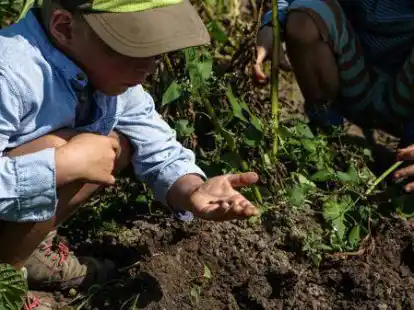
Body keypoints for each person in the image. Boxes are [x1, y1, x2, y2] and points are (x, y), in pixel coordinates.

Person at [0, 1, 261, 308]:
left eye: (153, 52)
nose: (149, 67)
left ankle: (17, 255)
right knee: (70, 149)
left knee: (113, 144)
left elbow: (155, 142)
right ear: (64, 27)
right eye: (132, 48)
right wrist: (60, 164)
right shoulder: (10, 73)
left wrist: (192, 189)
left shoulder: (105, 75)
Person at [252, 0, 414, 193]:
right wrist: (271, 24)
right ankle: (326, 144)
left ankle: (406, 169)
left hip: (406, 93)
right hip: (349, 74)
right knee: (305, 17)